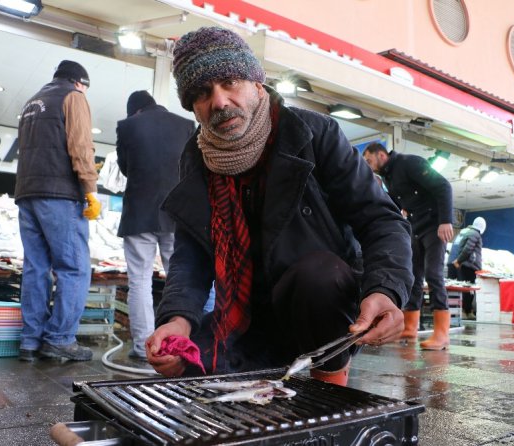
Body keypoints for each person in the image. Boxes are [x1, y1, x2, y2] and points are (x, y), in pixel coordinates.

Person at [144, 27, 414, 386]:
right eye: (202, 93)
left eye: (229, 82)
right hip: (244, 315)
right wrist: (177, 319)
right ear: (193, 108)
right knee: (185, 370)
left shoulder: (314, 134)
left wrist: (386, 289)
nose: (220, 102)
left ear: (258, 83)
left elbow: (381, 220)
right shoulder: (196, 157)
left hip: (318, 304)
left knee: (318, 275)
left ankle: (330, 382)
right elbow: (191, 253)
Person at [15, 60, 100, 362]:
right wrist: (90, 189)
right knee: (74, 268)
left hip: (27, 193)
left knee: (35, 267)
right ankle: (60, 338)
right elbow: (81, 146)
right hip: (60, 195)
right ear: (79, 82)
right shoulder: (72, 97)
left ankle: (30, 341)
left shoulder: (32, 103)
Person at [116, 90, 196, 361]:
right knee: (180, 278)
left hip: (139, 213)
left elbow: (125, 168)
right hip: (178, 212)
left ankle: (142, 347)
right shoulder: (186, 125)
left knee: (139, 281)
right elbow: (192, 168)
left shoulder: (127, 126)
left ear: (135, 111)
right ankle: (179, 344)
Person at [363, 142, 454, 350]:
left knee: (434, 275)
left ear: (381, 155)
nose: (368, 166)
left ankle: (442, 334)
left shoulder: (408, 163)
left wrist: (446, 220)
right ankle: (409, 328)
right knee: (414, 278)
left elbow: (443, 185)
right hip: (416, 228)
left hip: (434, 225)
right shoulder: (388, 176)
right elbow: (395, 205)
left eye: (369, 161)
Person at [447, 216, 486, 320]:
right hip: (465, 264)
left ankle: (453, 313)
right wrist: (459, 261)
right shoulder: (475, 234)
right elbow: (468, 249)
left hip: (452, 262)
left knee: (453, 290)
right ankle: (466, 311)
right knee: (468, 288)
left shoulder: (463, 231)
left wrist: (455, 261)